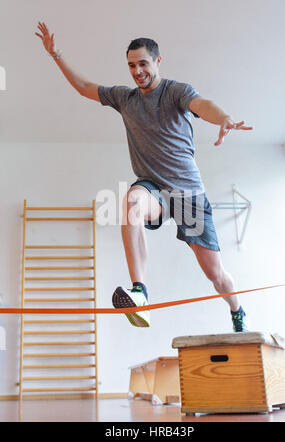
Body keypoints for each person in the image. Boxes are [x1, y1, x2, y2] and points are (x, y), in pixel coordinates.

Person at [36, 22, 253, 332]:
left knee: (215, 275)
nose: (137, 71)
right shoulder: (125, 98)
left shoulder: (176, 91)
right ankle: (140, 294)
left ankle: (237, 309)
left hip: (188, 196)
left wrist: (225, 118)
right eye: (131, 65)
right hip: (154, 190)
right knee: (131, 203)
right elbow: (85, 87)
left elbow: (202, 105)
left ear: (157, 62)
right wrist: (55, 54)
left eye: (143, 64)